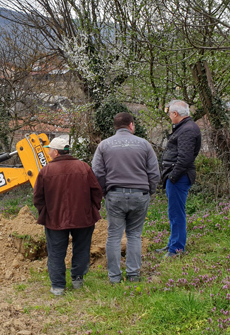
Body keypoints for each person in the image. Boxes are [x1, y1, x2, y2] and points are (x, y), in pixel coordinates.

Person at [92, 112, 160, 284]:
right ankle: (133, 275)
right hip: (139, 194)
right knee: (135, 235)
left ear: (115, 126)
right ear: (131, 125)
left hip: (115, 195)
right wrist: (148, 191)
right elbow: (154, 172)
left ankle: (114, 277)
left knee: (114, 236)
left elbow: (97, 173)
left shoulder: (104, 146)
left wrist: (105, 192)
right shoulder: (144, 145)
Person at [33, 135, 103, 296]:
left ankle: (58, 286)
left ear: (56, 152)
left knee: (56, 252)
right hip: (83, 218)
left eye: (50, 150)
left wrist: (45, 213)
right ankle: (77, 280)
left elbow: (38, 197)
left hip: (55, 219)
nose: (49, 152)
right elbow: (97, 191)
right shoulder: (84, 167)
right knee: (82, 249)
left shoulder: (46, 171)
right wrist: (92, 209)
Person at [158, 100, 201, 258]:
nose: (169, 117)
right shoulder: (185, 128)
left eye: (170, 114)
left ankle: (176, 249)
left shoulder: (187, 130)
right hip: (176, 176)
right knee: (173, 212)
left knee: (177, 213)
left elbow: (185, 158)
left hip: (179, 177)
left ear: (175, 114)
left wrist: (173, 176)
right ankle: (172, 243)